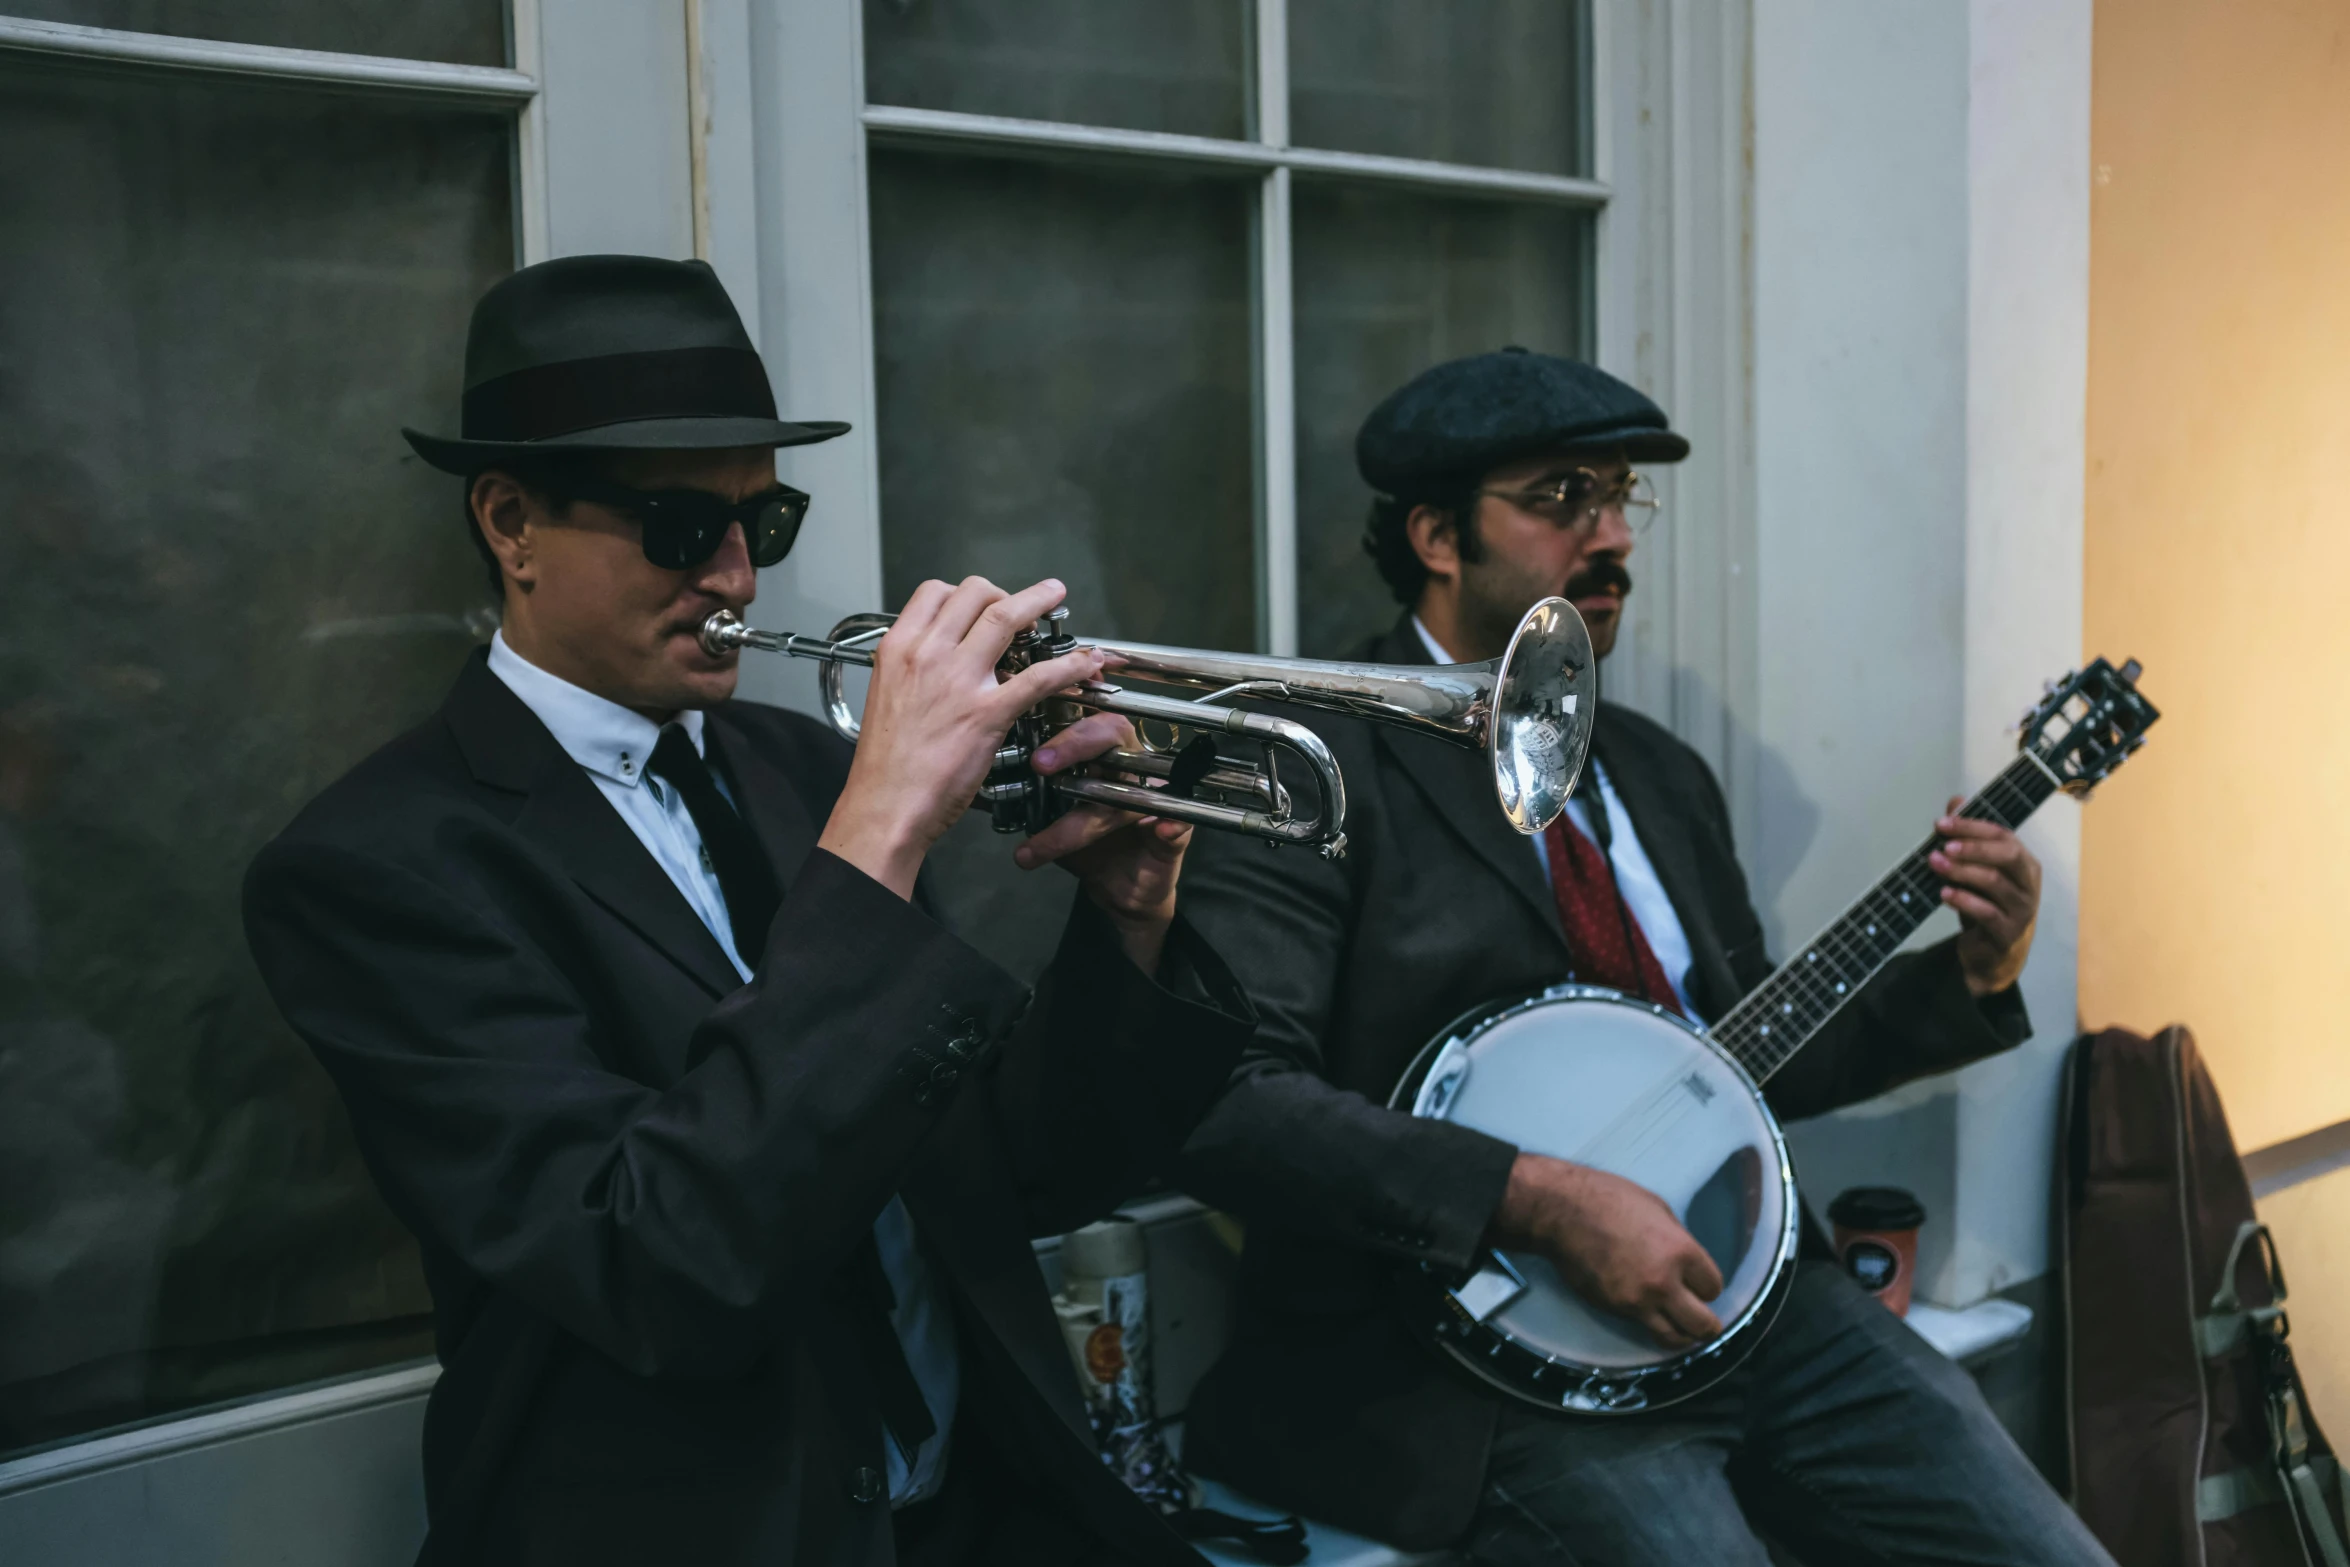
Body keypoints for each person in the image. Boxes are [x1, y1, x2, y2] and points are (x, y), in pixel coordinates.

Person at [241, 255, 1255, 1567]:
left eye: (757, 524)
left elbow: (1003, 1172)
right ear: (510, 521)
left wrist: (1129, 916)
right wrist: (879, 837)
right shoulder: (376, 868)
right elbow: (658, 1262)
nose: (733, 577)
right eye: (678, 527)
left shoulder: (807, 771)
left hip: (976, 1514)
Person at [1170, 348, 2114, 1564]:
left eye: (1621, 499)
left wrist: (1975, 977)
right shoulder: (1311, 767)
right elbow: (1229, 1106)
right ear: (1436, 537)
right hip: (1468, 1369)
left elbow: (1743, 1066)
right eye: (1562, 499)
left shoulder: (1658, 773)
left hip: (1751, 1302)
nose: (1610, 535)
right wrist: (1544, 1200)